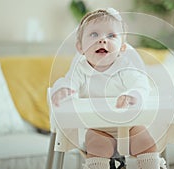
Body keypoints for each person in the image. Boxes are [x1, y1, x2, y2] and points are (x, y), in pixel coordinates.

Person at [51, 8, 167, 169]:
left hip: (130, 124)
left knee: (146, 143)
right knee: (97, 146)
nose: (102, 40)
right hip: (97, 127)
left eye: (111, 36)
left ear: (122, 48)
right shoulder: (81, 69)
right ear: (80, 47)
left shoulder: (125, 67)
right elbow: (68, 82)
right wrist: (64, 89)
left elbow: (141, 83)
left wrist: (132, 95)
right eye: (94, 34)